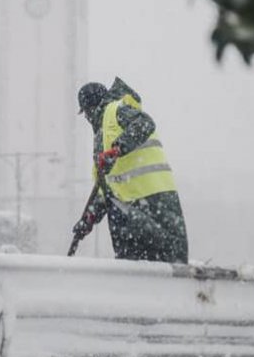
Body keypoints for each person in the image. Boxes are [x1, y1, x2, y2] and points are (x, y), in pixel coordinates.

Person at [74, 78, 188, 263]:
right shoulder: (102, 134)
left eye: (86, 112)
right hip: (127, 208)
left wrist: (118, 148)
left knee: (167, 258)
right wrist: (90, 217)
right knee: (134, 265)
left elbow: (145, 123)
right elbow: (106, 186)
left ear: (91, 108)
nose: (87, 118)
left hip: (152, 200)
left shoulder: (116, 110)